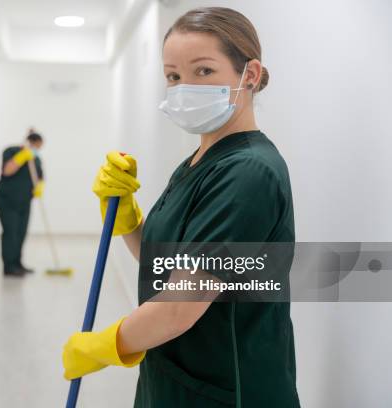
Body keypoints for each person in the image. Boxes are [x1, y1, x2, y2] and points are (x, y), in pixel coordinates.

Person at [62, 7, 300, 407]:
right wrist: (125, 216)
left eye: (203, 71)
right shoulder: (199, 161)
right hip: (176, 375)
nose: (184, 86)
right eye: (173, 76)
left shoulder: (248, 173)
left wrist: (104, 345)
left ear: (251, 75)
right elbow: (167, 267)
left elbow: (179, 308)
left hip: (229, 388)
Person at [0, 129, 45, 277]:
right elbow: (7, 171)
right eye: (36, 146)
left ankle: (18, 263)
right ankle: (9, 267)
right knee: (11, 233)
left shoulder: (36, 160)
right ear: (30, 142)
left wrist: (40, 187)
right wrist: (21, 157)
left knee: (21, 233)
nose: (37, 150)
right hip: (6, 201)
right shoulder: (11, 151)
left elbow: (40, 178)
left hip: (24, 202)